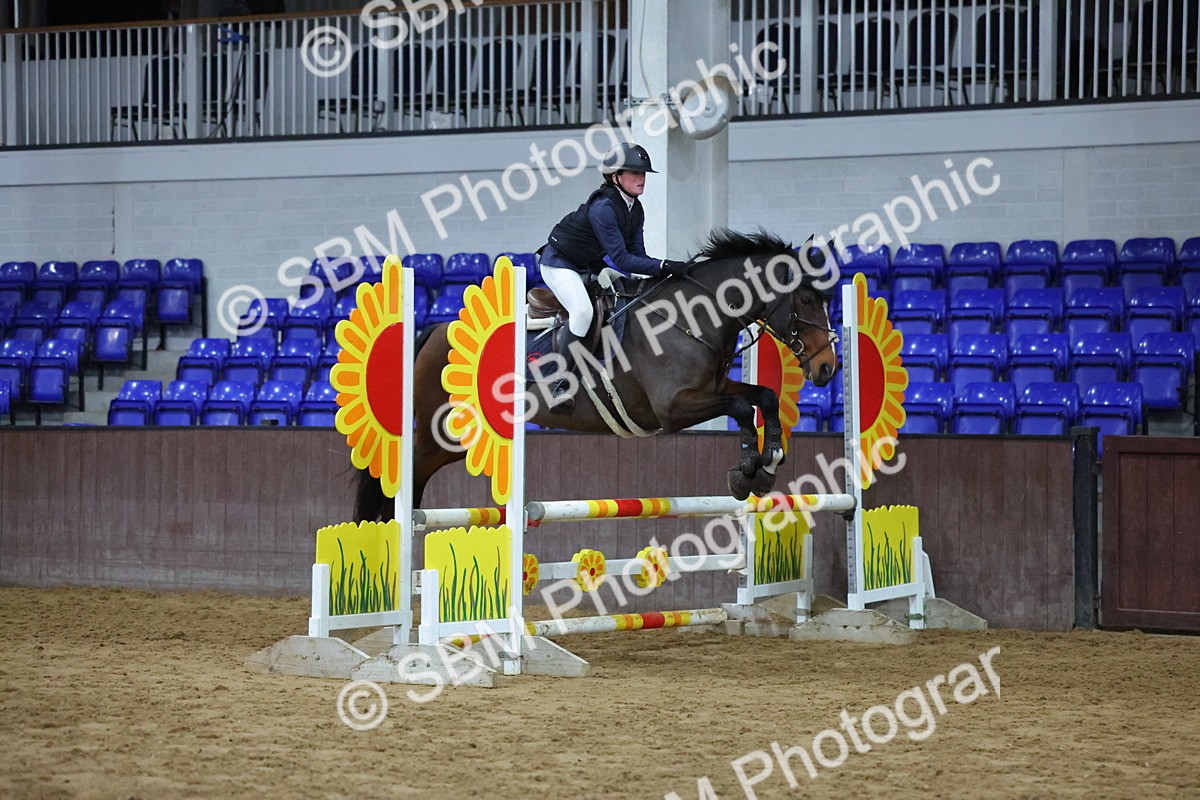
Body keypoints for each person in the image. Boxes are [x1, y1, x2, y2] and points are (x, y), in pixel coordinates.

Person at [537, 142, 689, 413]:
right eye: (634, 173)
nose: (641, 178)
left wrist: (665, 272)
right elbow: (621, 259)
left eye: (643, 174)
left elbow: (638, 255)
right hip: (559, 262)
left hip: (587, 265)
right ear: (615, 177)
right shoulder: (604, 207)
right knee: (582, 312)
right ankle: (560, 382)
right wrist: (666, 265)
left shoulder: (635, 208)